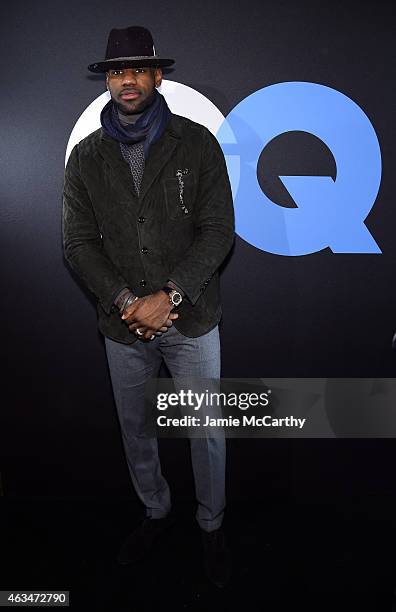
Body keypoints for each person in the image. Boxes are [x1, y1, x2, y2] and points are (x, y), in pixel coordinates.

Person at [62, 25, 235, 587]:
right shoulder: (86, 157)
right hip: (122, 324)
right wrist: (127, 302)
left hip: (191, 317)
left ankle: (211, 527)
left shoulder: (197, 142)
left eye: (137, 69)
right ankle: (156, 511)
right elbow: (78, 243)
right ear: (107, 80)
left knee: (205, 430)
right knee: (136, 428)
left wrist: (170, 296)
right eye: (116, 71)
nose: (126, 80)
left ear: (157, 76)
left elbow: (218, 231)